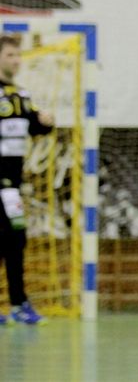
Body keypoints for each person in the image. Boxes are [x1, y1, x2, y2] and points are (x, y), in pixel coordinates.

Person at [0, 33, 54, 325]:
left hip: (12, 184)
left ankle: (19, 304)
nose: (16, 60)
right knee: (13, 238)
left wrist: (46, 122)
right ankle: (19, 303)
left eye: (18, 55)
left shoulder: (21, 95)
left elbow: (35, 127)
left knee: (13, 240)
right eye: (10, 55)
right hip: (2, 185)